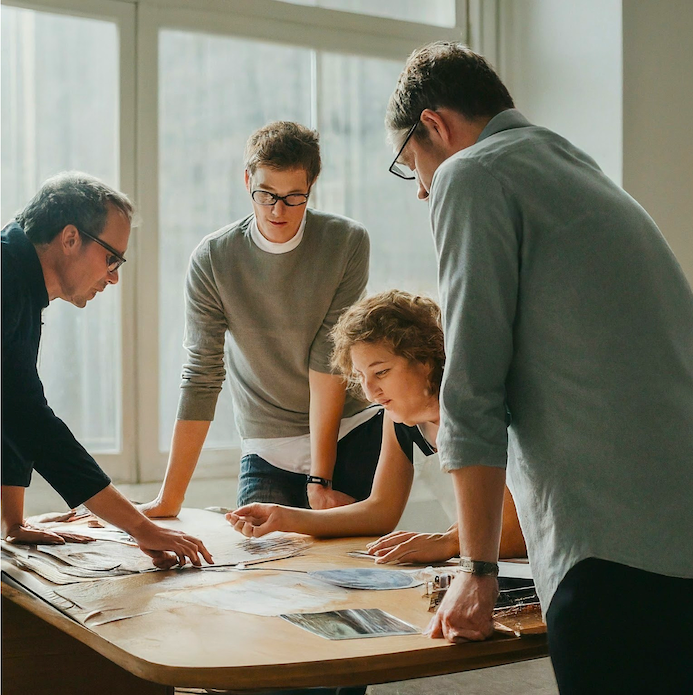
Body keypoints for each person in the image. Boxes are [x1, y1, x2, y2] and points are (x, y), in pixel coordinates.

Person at [383, 41, 693, 693]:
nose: (418, 189)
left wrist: (475, 565)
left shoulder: (473, 173)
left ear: (432, 125)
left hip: (610, 560)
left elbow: (471, 384)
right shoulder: (574, 170)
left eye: (410, 164)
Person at [141, 122, 383, 520]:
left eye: (293, 198)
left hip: (349, 432)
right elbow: (202, 374)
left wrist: (320, 482)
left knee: (346, 573)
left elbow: (328, 360)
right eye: (266, 194)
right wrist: (170, 498)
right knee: (258, 562)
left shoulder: (346, 242)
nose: (277, 211)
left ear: (312, 185)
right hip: (268, 445)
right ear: (247, 180)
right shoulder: (213, 260)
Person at [2, 172, 212, 569]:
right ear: (69, 238)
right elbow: (29, 418)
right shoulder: (5, 281)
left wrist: (13, 522)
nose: (114, 276)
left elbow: (10, 403)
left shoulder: (17, 280)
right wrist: (139, 526)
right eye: (111, 257)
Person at [227, 290, 526, 562]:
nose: (370, 393)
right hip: (481, 561)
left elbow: (521, 525)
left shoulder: (478, 408)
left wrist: (447, 542)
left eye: (381, 372)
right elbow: (380, 510)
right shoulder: (397, 419)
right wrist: (284, 518)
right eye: (360, 377)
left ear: (425, 360)